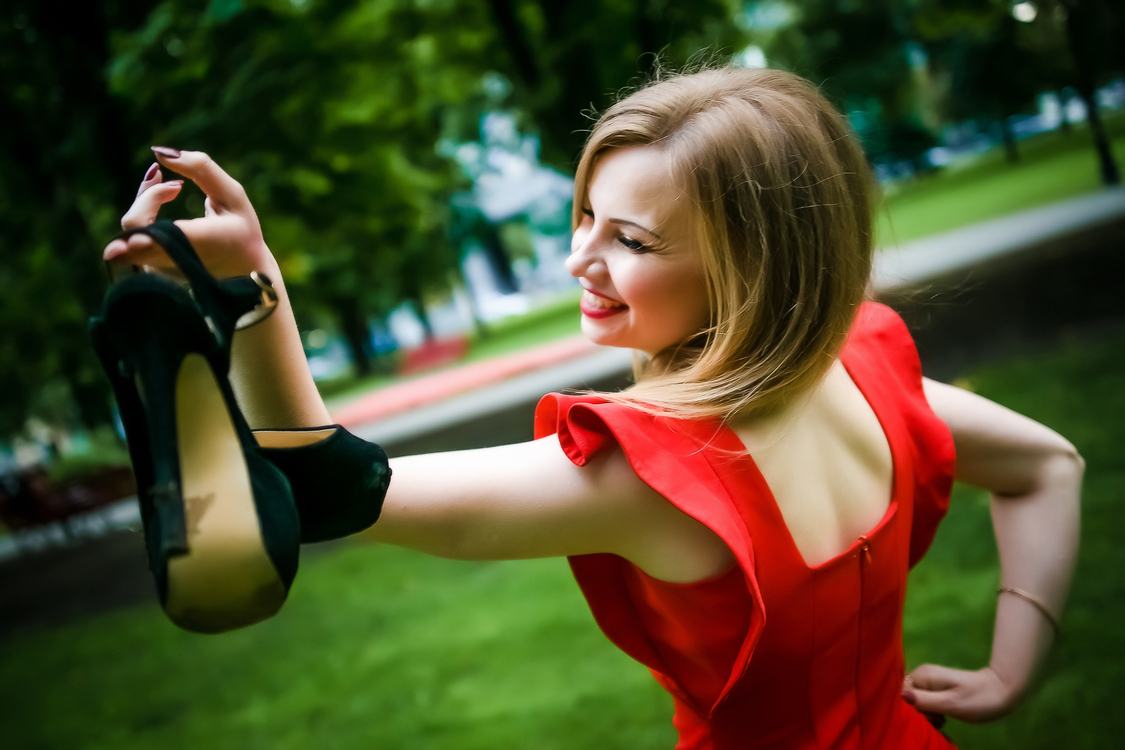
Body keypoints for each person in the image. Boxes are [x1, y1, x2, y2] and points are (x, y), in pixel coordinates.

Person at [102, 67, 1082, 748]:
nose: (579, 260)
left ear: (752, 265)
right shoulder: (867, 365)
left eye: (632, 241)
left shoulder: (655, 474)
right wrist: (1013, 666)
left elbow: (323, 485)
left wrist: (256, 284)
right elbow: (1050, 465)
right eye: (584, 218)